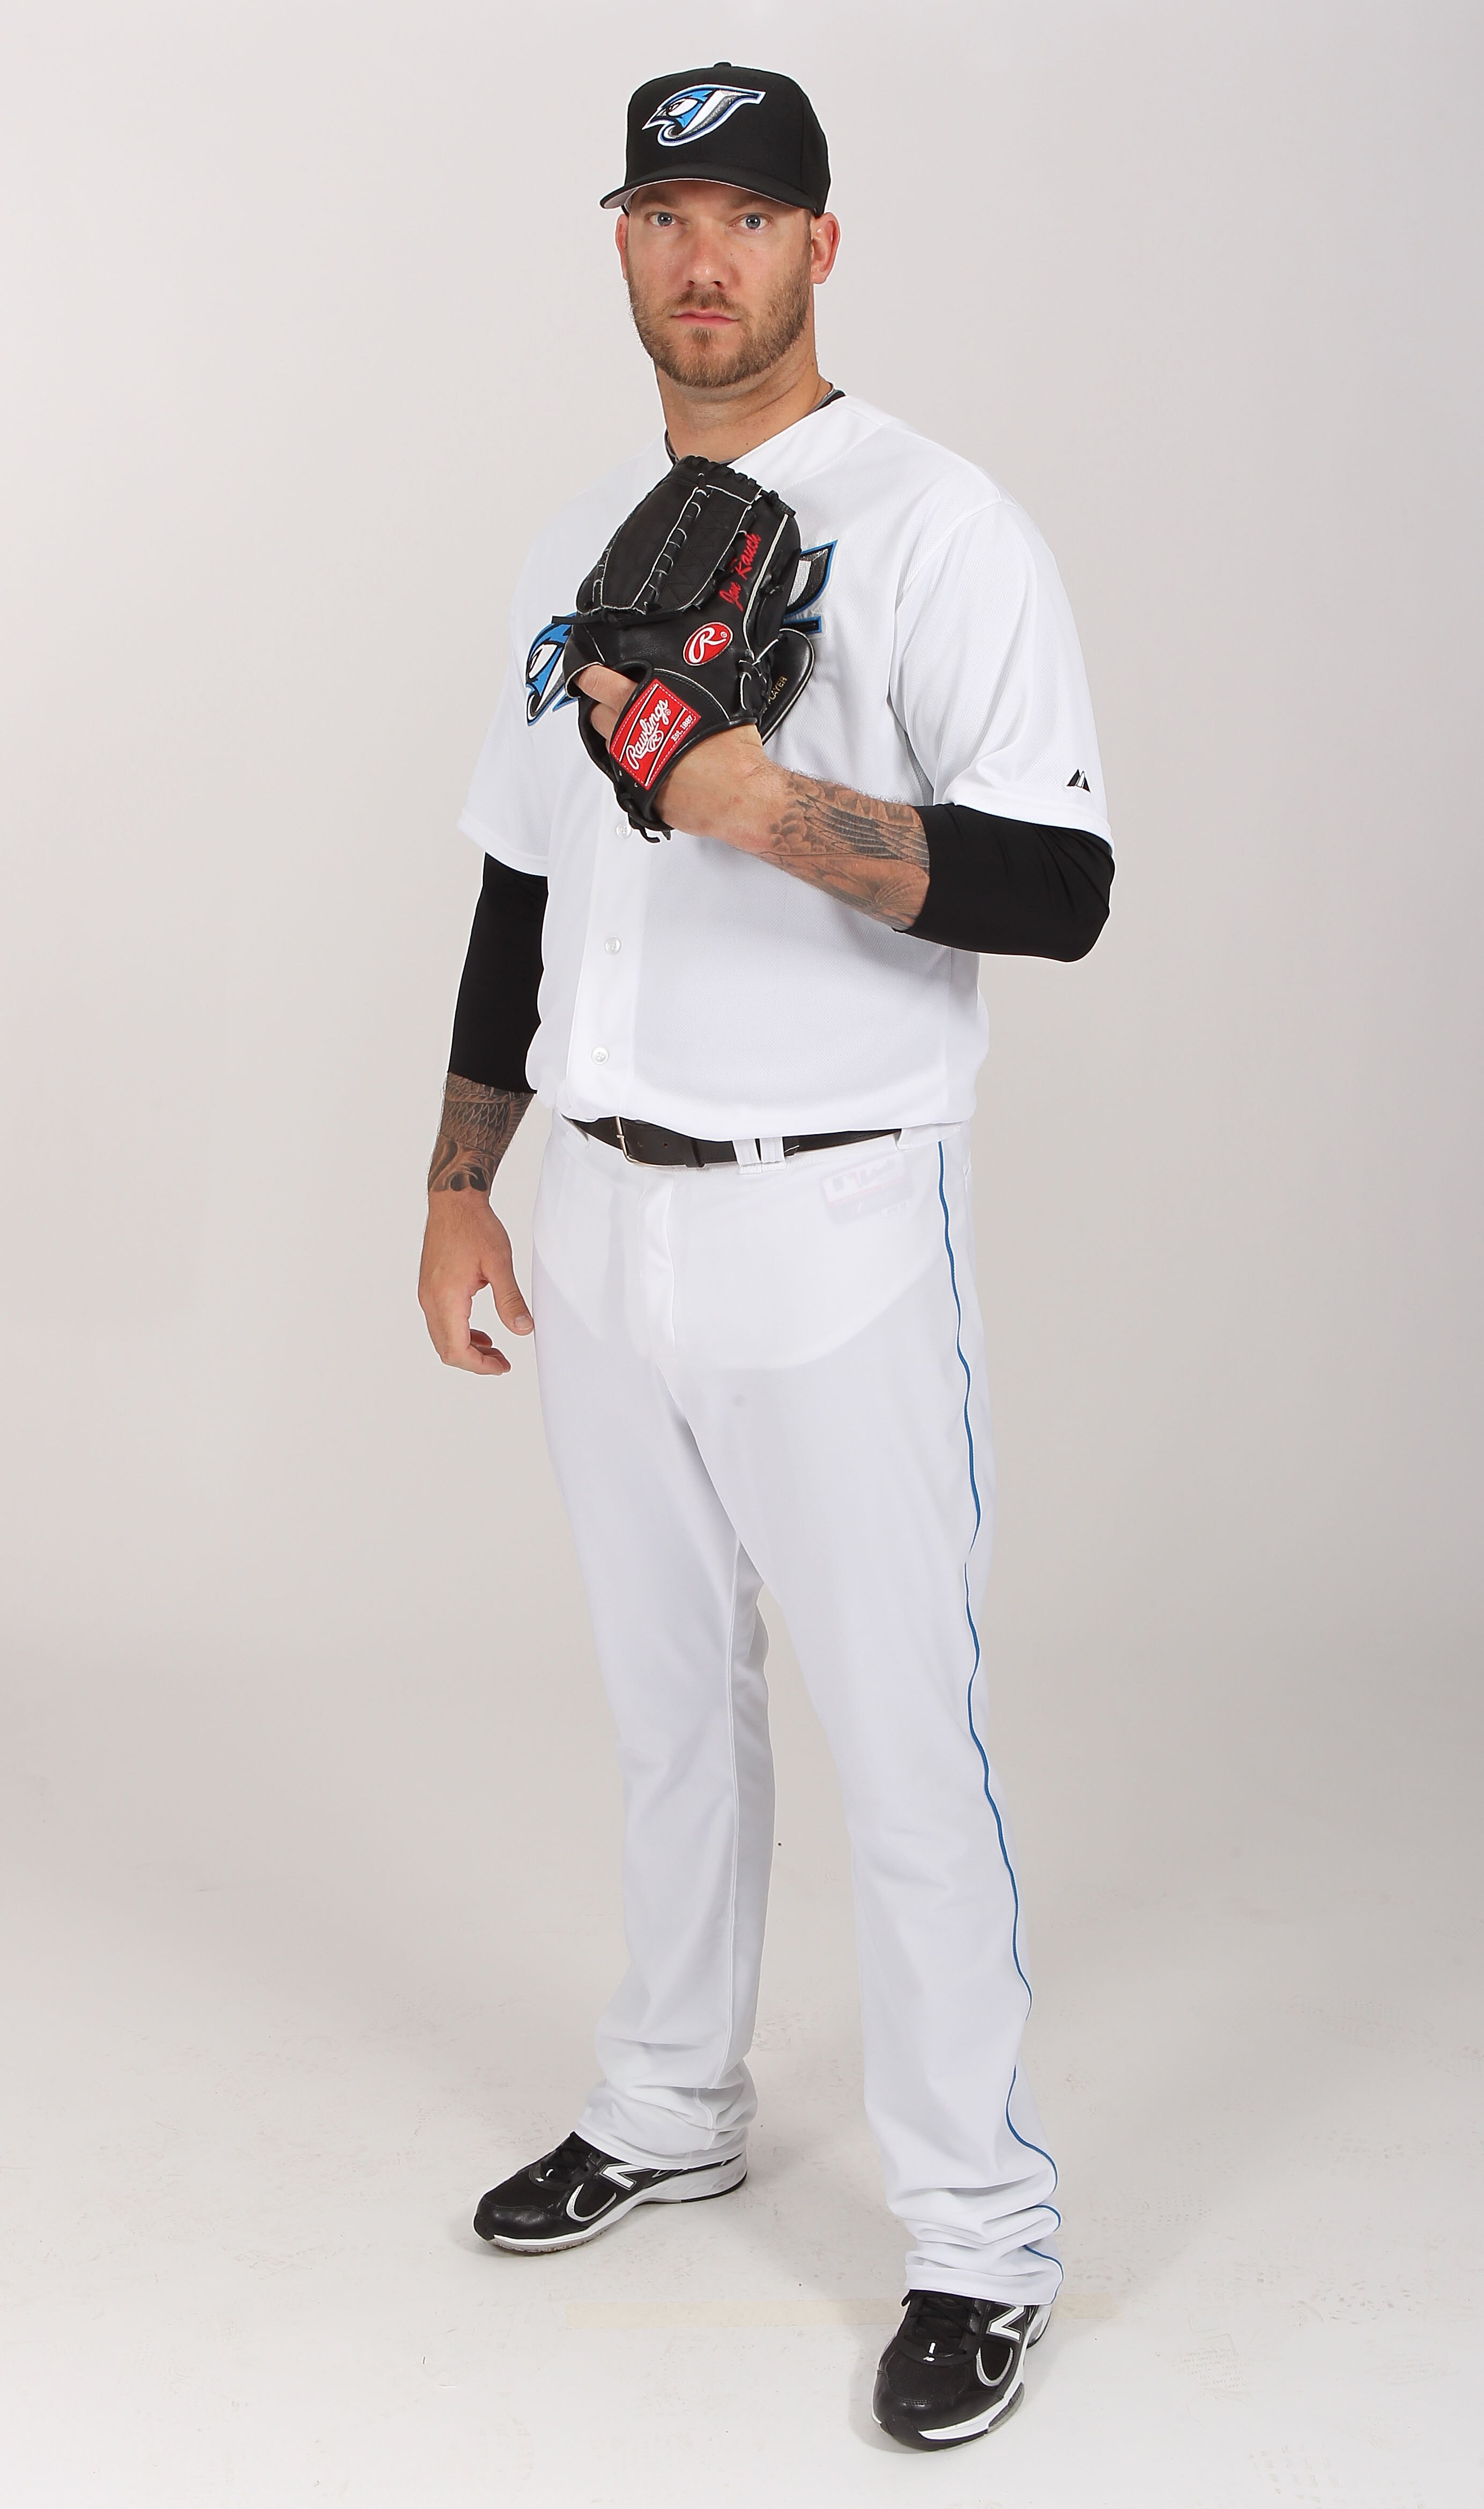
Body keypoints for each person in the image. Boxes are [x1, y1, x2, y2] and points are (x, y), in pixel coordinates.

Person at [417, 62, 1113, 2453]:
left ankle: (978, 2239)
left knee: (902, 1747)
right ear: (617, 245)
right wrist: (453, 1177)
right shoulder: (571, 544)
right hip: (598, 1213)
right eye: (658, 212)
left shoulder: (939, 528)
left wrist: (773, 806)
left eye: (747, 214)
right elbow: (523, 875)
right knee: (658, 1717)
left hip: (833, 1216)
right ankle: (667, 2102)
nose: (698, 257)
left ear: (827, 244)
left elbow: (1060, 890)